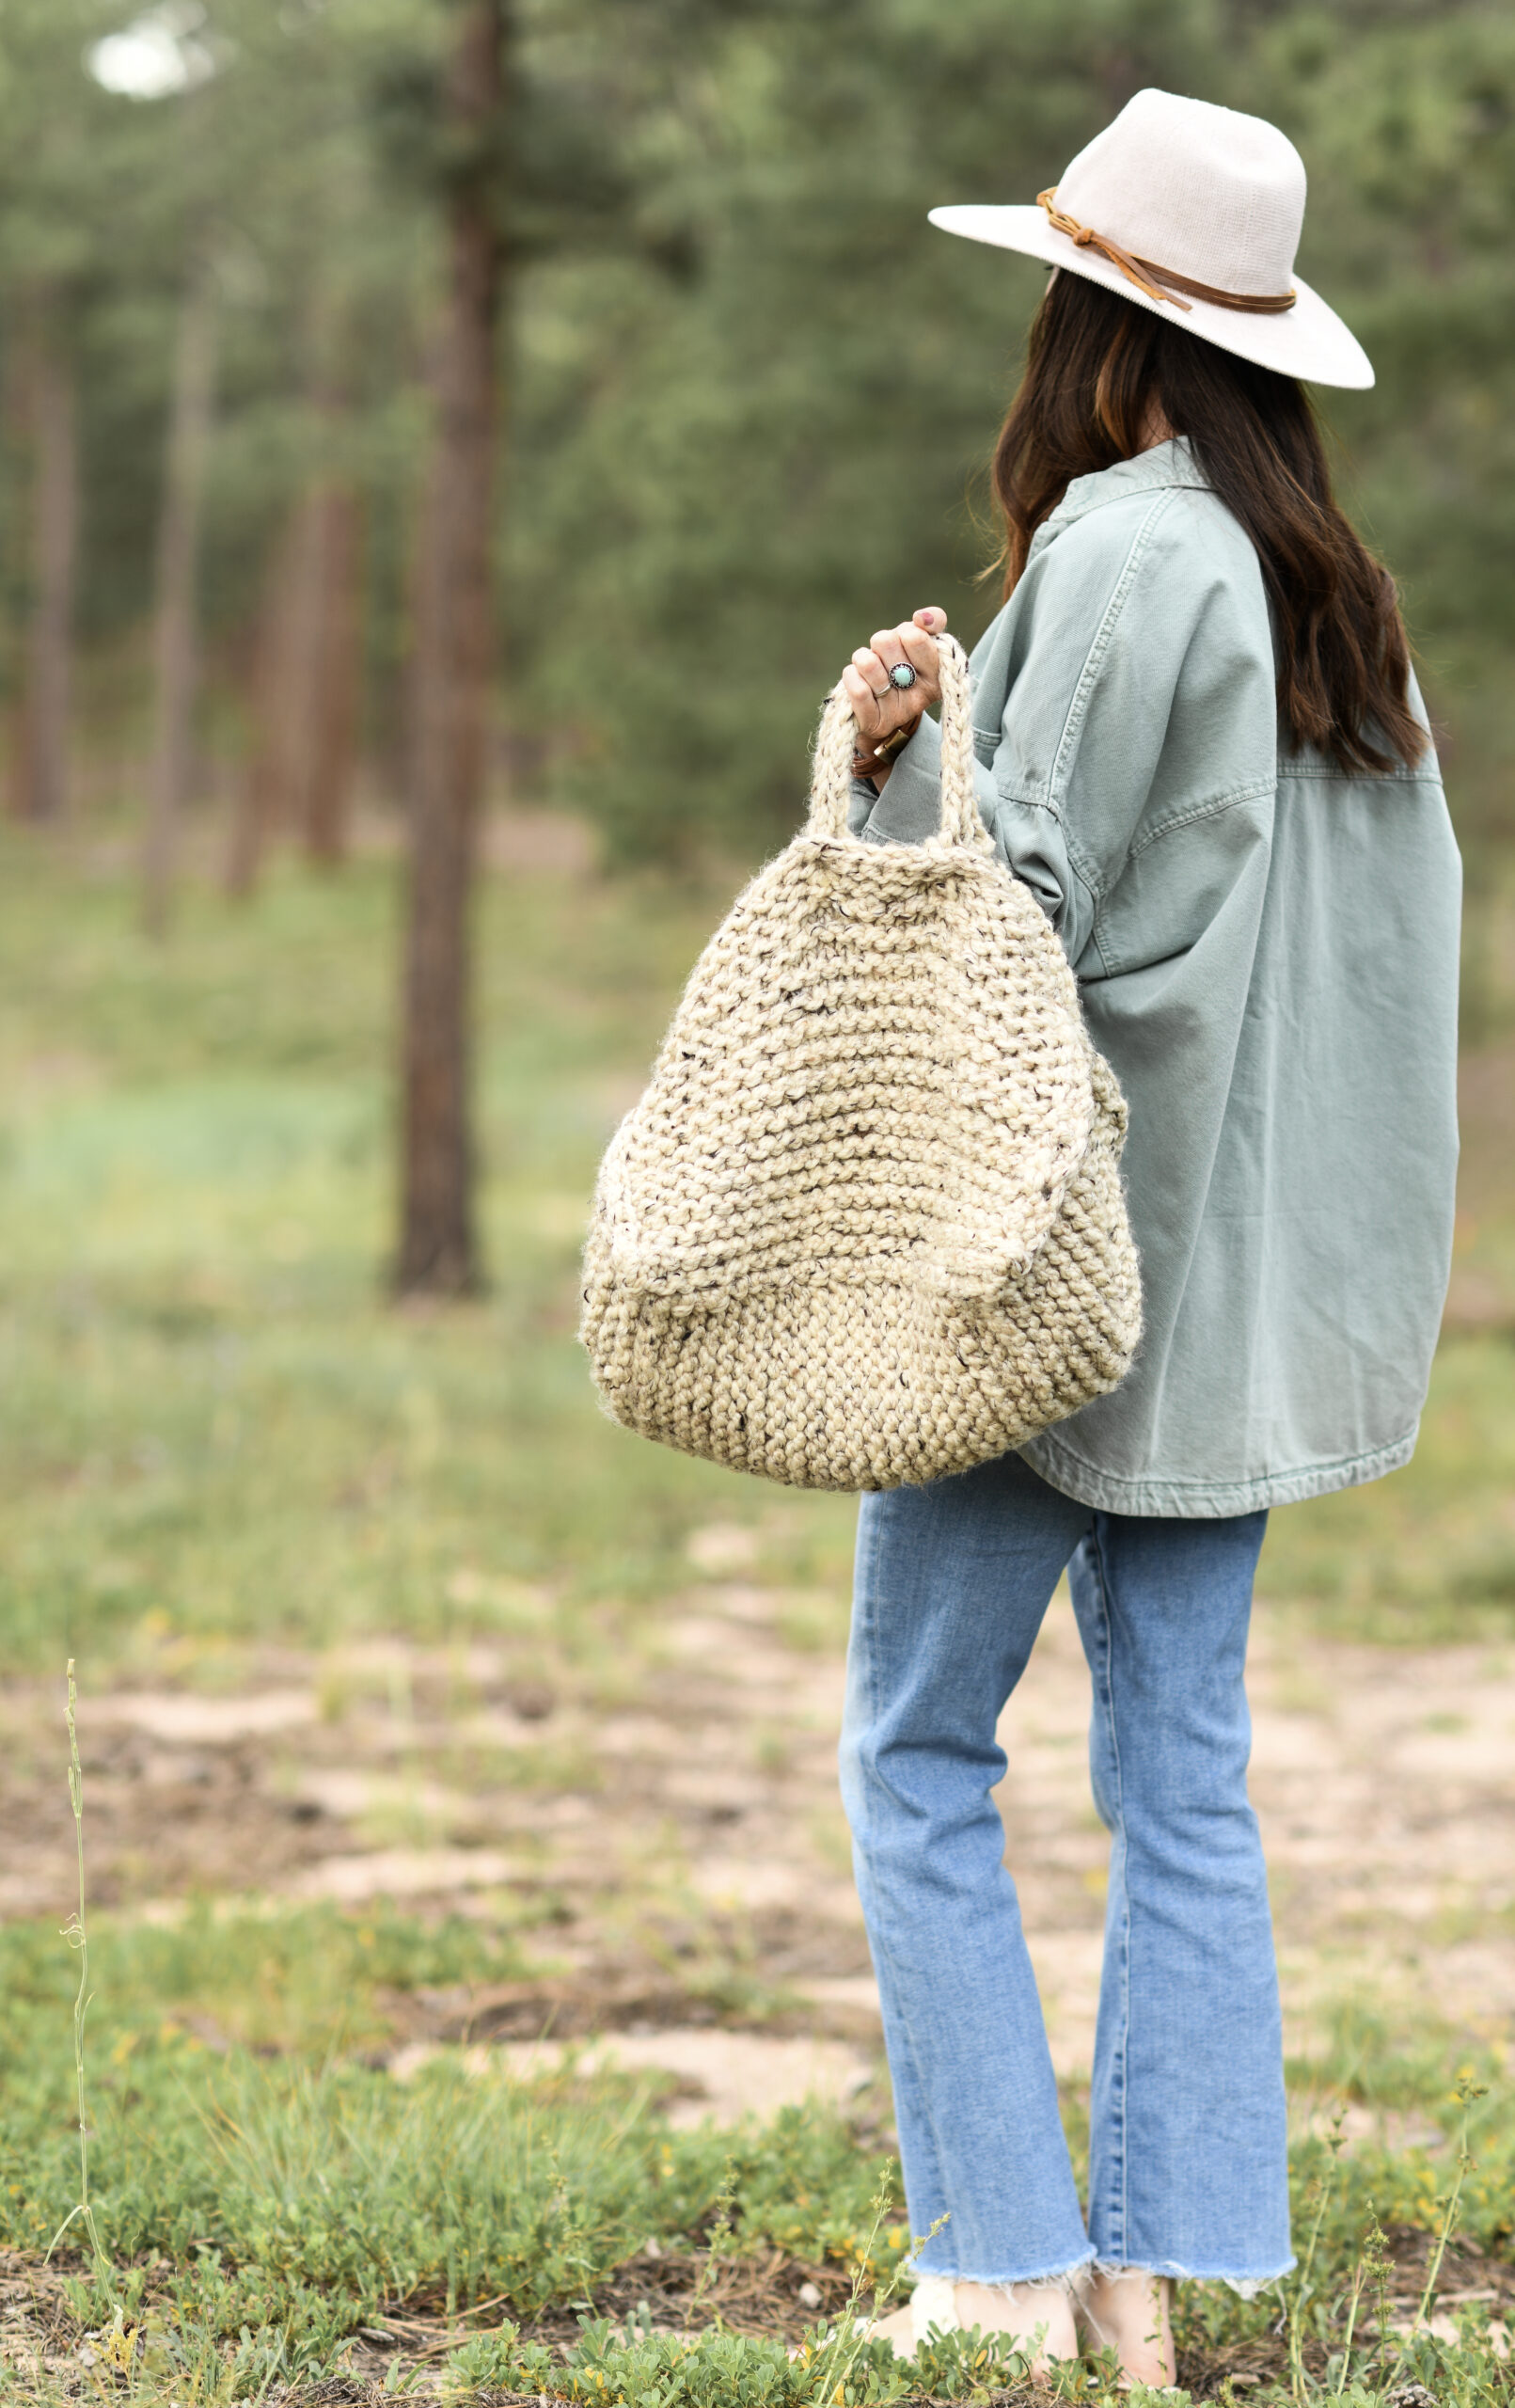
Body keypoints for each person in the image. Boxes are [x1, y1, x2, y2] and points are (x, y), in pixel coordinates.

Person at [834, 88, 1460, 2384]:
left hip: (1056, 1272)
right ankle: (1154, 2275)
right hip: (1249, 1297)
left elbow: (1011, 927)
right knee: (1179, 1765)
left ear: (1092, 321)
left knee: (916, 1747)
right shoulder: (1340, 604)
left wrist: (910, 750)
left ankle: (994, 2267)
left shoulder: (1119, 556)